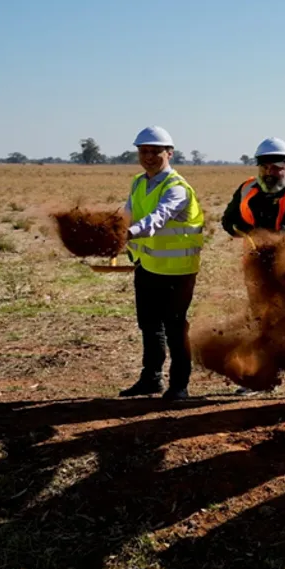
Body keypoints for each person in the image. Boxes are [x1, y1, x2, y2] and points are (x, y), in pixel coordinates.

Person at [220, 137, 285, 400]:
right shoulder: (246, 190)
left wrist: (263, 239)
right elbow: (228, 221)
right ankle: (258, 378)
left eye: (276, 167)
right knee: (261, 326)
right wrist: (246, 232)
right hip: (260, 273)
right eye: (265, 166)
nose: (270, 172)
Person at [118, 126, 206, 401]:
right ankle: (151, 379)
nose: (149, 157)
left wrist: (128, 233)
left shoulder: (177, 188)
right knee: (149, 324)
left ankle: (179, 385)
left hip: (177, 272)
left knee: (175, 327)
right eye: (144, 151)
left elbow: (158, 217)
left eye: (156, 151)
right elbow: (128, 213)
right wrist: (112, 228)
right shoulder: (138, 182)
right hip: (146, 265)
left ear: (169, 153)